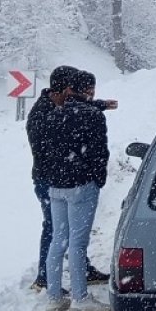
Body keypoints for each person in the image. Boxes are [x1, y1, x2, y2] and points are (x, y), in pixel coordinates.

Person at [26, 66, 108, 291]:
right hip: (49, 179)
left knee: (64, 234)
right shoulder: (43, 114)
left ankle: (78, 272)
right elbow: (53, 143)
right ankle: (45, 278)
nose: (73, 94)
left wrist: (98, 105)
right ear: (65, 90)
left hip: (55, 178)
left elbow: (74, 114)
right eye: (72, 90)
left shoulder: (54, 108)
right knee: (56, 231)